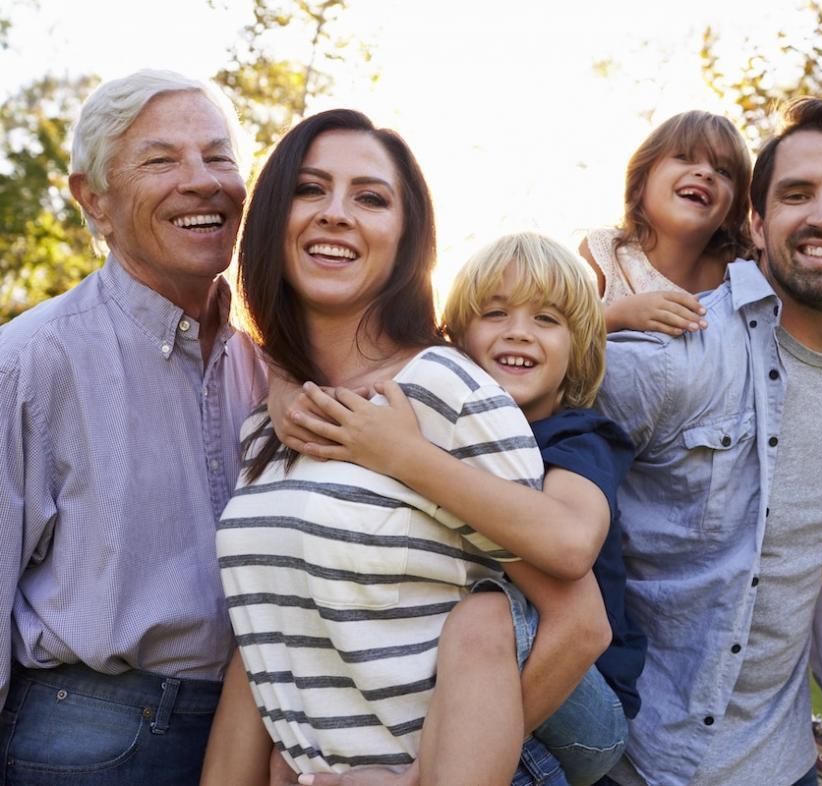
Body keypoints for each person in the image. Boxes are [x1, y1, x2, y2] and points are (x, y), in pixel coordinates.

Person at [203, 110, 601, 786]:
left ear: (405, 238)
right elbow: (265, 644)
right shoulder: (269, 425)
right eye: (310, 189)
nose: (336, 213)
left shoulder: (444, 390)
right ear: (273, 218)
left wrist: (423, 777)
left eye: (370, 197)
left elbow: (578, 621)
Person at [595, 96, 822, 786]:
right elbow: (500, 409)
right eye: (798, 194)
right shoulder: (674, 351)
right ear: (758, 224)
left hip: (784, 763)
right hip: (640, 765)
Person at [283, 232, 642, 786]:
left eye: (547, 320)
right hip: (472, 680)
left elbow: (573, 542)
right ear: (455, 340)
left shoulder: (576, 440)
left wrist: (406, 457)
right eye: (495, 313)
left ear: (578, 353)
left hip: (583, 705)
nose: (518, 330)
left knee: (486, 611)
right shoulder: (442, 427)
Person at [0, 69, 266, 784]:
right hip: (85, 740)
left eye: (218, 157)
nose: (202, 181)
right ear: (94, 199)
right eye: (161, 159)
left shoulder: (271, 373)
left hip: (251, 740)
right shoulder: (31, 361)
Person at [578, 110, 753, 335]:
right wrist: (616, 316)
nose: (705, 173)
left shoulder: (737, 278)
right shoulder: (604, 255)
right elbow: (559, 335)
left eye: (723, 171)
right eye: (684, 157)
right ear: (641, 181)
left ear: (732, 212)